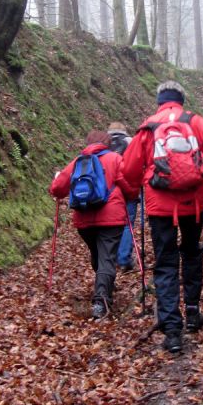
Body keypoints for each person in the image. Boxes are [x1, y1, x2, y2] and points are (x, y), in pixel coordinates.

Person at [121, 80, 203, 353]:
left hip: (159, 207)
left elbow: (129, 171)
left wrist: (135, 191)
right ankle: (192, 312)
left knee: (166, 262)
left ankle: (172, 332)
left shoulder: (148, 127)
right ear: (182, 99)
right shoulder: (198, 123)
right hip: (194, 203)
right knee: (191, 251)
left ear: (159, 100)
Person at [49, 129, 135, 320]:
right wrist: (132, 195)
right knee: (106, 258)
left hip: (84, 219)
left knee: (98, 255)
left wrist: (55, 183)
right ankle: (101, 301)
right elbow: (129, 186)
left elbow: (57, 189)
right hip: (111, 218)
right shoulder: (115, 159)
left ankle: (104, 285)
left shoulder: (78, 162)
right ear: (107, 143)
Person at [107, 121, 139, 272]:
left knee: (109, 224)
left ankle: (109, 258)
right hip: (128, 188)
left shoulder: (104, 143)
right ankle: (124, 259)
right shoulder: (131, 142)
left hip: (108, 190)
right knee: (127, 223)